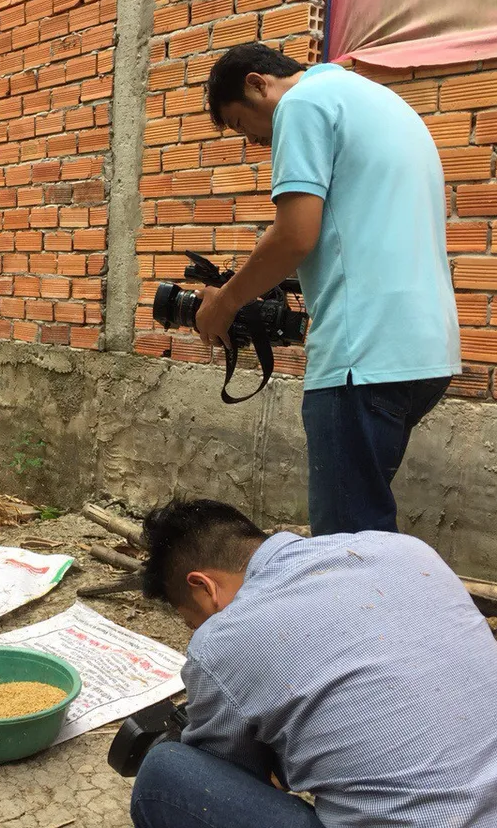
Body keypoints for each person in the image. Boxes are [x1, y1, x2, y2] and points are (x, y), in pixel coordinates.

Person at [130, 499, 497, 828]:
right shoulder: (408, 551)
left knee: (165, 773)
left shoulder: (224, 642)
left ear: (204, 587)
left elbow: (233, 772)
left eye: (194, 621)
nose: (201, 633)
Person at [193, 43, 461, 536]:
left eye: (240, 124)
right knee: (367, 532)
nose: (253, 142)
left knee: (346, 545)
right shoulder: (376, 99)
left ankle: (360, 614)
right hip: (425, 353)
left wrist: (225, 303)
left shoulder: (301, 104)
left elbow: (296, 234)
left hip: (362, 356)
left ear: (258, 83)